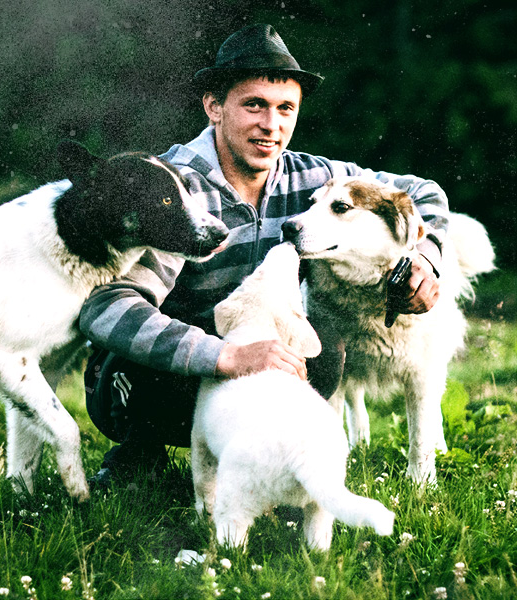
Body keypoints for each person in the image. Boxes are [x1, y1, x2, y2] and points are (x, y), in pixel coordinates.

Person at [80, 24, 448, 486]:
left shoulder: (316, 178)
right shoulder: (173, 189)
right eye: (254, 105)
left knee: (325, 353)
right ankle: (140, 452)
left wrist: (425, 259)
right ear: (214, 106)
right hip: (147, 378)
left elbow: (423, 192)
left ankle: (277, 463)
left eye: (285, 108)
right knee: (149, 373)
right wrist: (225, 356)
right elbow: (107, 308)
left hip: (258, 362)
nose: (271, 125)